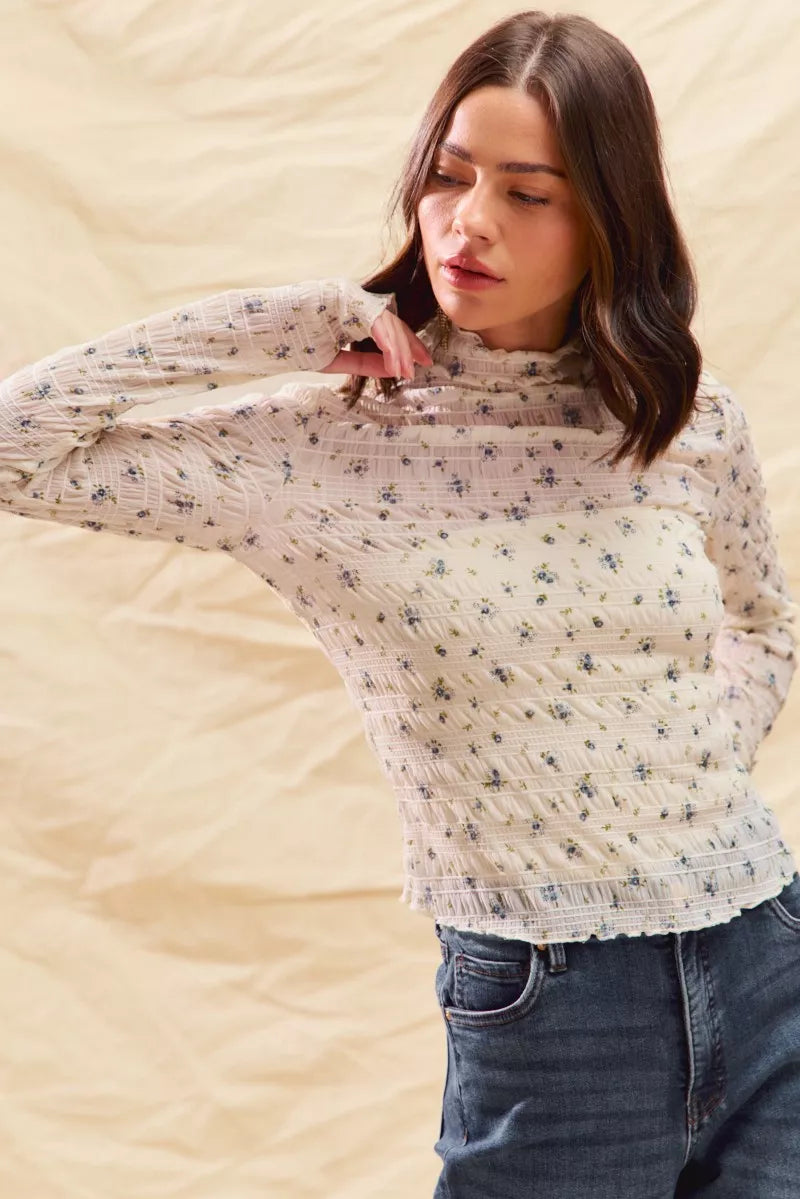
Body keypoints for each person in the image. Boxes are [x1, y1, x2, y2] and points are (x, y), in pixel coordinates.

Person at [1, 8, 798, 1197]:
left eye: (526, 193)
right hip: (548, 999)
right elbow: (14, 447)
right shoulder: (324, 449)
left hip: (763, 948)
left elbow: (762, 623)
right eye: (447, 175)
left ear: (608, 219)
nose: (467, 222)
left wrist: (688, 771)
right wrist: (272, 325)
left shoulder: (678, 418)